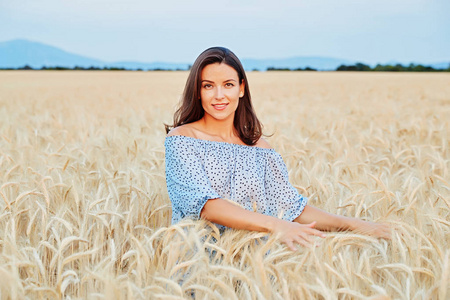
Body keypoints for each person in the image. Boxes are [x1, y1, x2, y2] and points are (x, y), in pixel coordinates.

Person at [164, 47, 391, 251]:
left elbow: (291, 208)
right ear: (197, 91)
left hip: (256, 267)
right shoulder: (183, 140)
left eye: (228, 85)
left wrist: (355, 225)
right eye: (208, 86)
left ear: (241, 88)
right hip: (200, 268)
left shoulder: (260, 148)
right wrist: (277, 226)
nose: (219, 95)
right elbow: (206, 207)